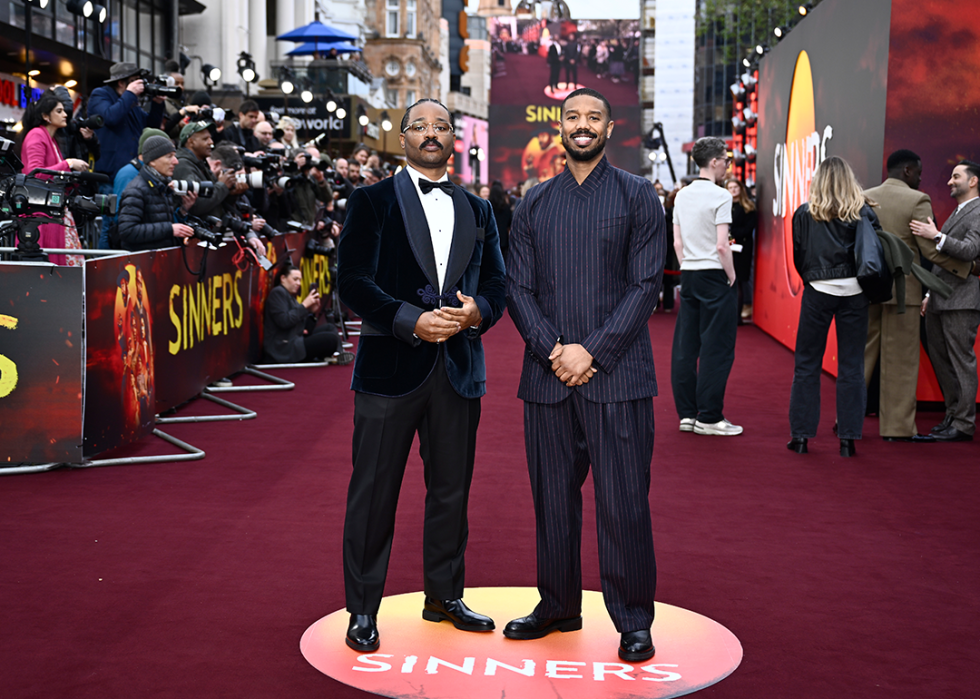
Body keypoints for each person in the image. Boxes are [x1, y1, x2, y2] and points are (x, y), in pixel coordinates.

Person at [337, 98, 506, 653]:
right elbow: (354, 282)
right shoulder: (371, 199)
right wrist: (411, 320)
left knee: (451, 493)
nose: (431, 134)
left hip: (458, 370)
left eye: (441, 126)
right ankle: (363, 609)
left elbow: (499, 286)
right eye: (420, 127)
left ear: (453, 138)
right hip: (389, 369)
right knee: (373, 492)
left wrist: (477, 310)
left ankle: (445, 596)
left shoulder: (478, 210)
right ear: (403, 136)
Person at [504, 88, 665, 663]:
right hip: (547, 378)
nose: (582, 125)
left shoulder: (638, 195)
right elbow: (516, 288)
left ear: (609, 128)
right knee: (553, 501)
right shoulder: (533, 202)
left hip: (618, 378)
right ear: (561, 126)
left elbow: (647, 286)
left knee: (624, 503)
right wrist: (554, 349)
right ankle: (557, 605)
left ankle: (633, 619)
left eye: (593, 117)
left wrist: (590, 353)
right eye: (573, 117)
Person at [863, 150, 972, 442]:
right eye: (920, 172)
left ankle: (847, 419)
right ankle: (896, 429)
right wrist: (969, 268)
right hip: (904, 294)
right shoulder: (917, 200)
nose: (922, 178)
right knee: (900, 362)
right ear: (908, 171)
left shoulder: (864, 197)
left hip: (868, 290)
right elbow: (930, 251)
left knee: (861, 357)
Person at [788, 156, 876, 457]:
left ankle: (801, 437)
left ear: (819, 181)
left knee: (807, 364)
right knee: (852, 365)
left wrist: (815, 280)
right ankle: (848, 440)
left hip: (818, 292)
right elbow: (872, 254)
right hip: (856, 293)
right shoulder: (863, 212)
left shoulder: (804, 213)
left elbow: (800, 257)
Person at [671, 137, 741, 436]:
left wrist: (688, 264)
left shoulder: (681, 195)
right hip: (714, 274)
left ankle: (687, 414)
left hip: (688, 273)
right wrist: (732, 276)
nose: (727, 164)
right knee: (717, 347)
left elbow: (677, 242)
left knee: (686, 346)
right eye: (725, 159)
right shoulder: (721, 196)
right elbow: (722, 246)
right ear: (713, 162)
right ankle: (710, 417)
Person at [909, 160, 980, 442]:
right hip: (940, 299)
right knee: (941, 360)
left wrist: (936, 235)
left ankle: (963, 424)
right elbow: (944, 262)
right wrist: (929, 294)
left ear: (973, 181)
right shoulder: (960, 211)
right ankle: (953, 415)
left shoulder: (977, 211)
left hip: (962, 300)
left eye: (956, 176)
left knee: (961, 361)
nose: (950, 181)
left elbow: (971, 250)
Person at [19, 90, 90, 266]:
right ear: (46, 116)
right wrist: (69, 163)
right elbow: (35, 173)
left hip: (52, 212)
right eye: (59, 111)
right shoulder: (37, 135)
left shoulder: (50, 138)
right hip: (41, 215)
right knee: (55, 270)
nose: (65, 114)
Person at [116, 136, 196, 252]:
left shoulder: (162, 185)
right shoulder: (136, 190)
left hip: (160, 260)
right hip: (143, 265)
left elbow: (162, 222)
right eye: (169, 157)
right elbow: (127, 231)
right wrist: (170, 229)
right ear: (152, 161)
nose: (176, 161)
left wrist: (183, 211)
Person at [263, 262, 345, 363]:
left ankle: (339, 354)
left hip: (295, 339)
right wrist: (304, 305)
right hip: (284, 347)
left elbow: (306, 329)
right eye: (295, 279)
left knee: (330, 327)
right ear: (283, 278)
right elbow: (284, 321)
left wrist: (312, 312)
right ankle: (336, 356)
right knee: (330, 338)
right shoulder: (277, 293)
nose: (298, 283)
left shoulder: (290, 296)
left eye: (300, 280)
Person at [173, 121, 235, 219]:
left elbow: (215, 200)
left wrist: (232, 192)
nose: (211, 142)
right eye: (205, 139)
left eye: (210, 138)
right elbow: (197, 205)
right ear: (191, 142)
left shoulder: (200, 163)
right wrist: (223, 186)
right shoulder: (183, 165)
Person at [725, 178, 757, 321]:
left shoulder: (748, 207)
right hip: (725, 248)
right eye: (730, 187)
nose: (733, 190)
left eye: (735, 187)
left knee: (739, 281)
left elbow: (748, 229)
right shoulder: (723, 207)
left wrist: (731, 232)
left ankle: (736, 317)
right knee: (726, 281)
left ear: (741, 189)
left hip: (742, 249)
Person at [488, 181, 512, 259]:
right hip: (503, 239)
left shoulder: (488, 207)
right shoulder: (507, 207)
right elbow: (509, 223)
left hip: (489, 237)